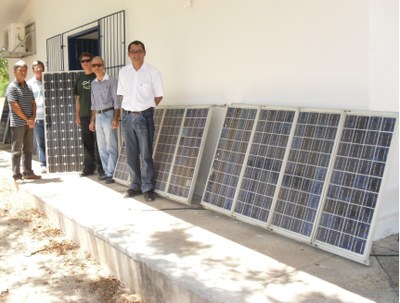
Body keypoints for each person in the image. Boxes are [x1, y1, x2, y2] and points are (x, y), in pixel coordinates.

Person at [117, 40, 163, 201]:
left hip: (145, 117)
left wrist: (145, 109)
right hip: (127, 116)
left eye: (139, 51)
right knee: (131, 153)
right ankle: (134, 186)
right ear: (129, 54)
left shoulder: (153, 72)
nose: (136, 54)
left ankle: (147, 187)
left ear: (144, 53)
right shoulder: (123, 72)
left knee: (146, 154)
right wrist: (131, 109)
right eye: (133, 51)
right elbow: (122, 94)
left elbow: (158, 96)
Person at [6, 60, 41, 181]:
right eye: (20, 70)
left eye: (25, 70)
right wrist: (27, 119)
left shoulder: (28, 86)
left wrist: (32, 118)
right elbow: (15, 106)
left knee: (28, 149)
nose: (23, 72)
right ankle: (16, 175)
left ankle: (28, 172)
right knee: (16, 150)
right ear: (14, 71)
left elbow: (33, 103)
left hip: (29, 123)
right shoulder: (12, 87)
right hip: (18, 124)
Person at [89, 56, 121, 184]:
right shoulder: (93, 83)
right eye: (94, 65)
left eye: (99, 65)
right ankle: (107, 171)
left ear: (104, 66)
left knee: (111, 145)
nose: (96, 67)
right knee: (101, 146)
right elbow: (93, 104)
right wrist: (92, 120)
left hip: (109, 114)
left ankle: (112, 172)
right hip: (98, 116)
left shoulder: (112, 81)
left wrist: (116, 118)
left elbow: (117, 101)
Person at [74, 52, 104, 178]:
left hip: (97, 114)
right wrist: (77, 115)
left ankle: (102, 169)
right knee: (87, 142)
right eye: (83, 61)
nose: (85, 63)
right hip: (84, 114)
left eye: (88, 60)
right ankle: (88, 168)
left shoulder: (96, 76)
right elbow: (78, 98)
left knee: (100, 143)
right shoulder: (80, 78)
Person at [27, 60, 47, 173]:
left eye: (40, 67)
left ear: (43, 68)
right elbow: (29, 101)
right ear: (33, 70)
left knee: (52, 140)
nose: (38, 69)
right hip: (37, 117)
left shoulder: (49, 80)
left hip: (50, 115)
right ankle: (43, 164)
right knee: (41, 142)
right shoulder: (30, 84)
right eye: (35, 67)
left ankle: (53, 162)